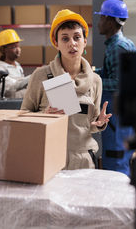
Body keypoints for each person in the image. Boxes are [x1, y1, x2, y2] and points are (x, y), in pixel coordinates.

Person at [21, 9, 111, 170]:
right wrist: (44, 115)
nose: (72, 43)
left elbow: (90, 125)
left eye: (77, 37)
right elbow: (23, 116)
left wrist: (99, 123)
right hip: (50, 157)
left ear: (84, 40)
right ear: (56, 43)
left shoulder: (95, 81)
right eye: (65, 38)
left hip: (84, 159)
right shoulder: (41, 76)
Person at [94, 0, 136, 176]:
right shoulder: (118, 44)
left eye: (101, 18)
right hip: (119, 118)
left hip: (117, 121)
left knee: (116, 164)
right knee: (118, 160)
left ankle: (119, 203)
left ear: (110, 21)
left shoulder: (118, 47)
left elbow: (120, 82)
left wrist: (92, 81)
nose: (99, 23)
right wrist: (94, 72)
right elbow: (112, 72)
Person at [0, 29, 30, 99]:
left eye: (18, 46)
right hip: (8, 106)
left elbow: (21, 86)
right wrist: (32, 77)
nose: (18, 50)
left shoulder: (18, 66)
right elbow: (10, 88)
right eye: (14, 47)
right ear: (4, 50)